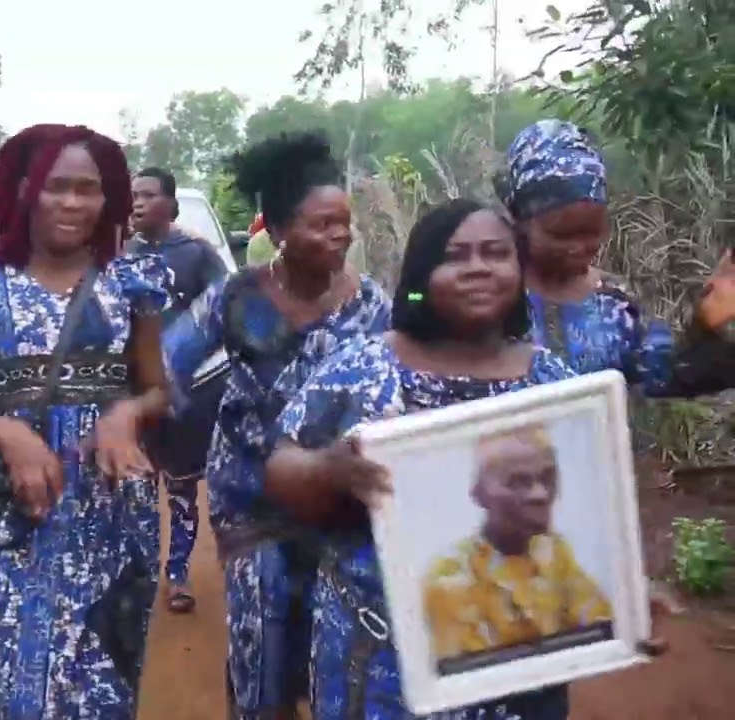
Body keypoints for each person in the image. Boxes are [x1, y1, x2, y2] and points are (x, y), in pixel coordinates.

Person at [265, 198, 667, 720]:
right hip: (380, 664)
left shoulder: (555, 386)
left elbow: (594, 516)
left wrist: (628, 599)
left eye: (496, 254)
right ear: (421, 275)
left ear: (518, 270)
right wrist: (325, 470)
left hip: (524, 673)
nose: (478, 267)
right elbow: (280, 464)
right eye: (455, 256)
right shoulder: (363, 367)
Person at [0, 124, 169, 718]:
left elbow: (159, 390)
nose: (72, 203)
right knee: (11, 686)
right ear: (24, 191)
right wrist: (6, 432)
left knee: (101, 690)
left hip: (110, 518)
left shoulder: (130, 284)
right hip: (15, 517)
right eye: (55, 187)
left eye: (87, 189)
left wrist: (125, 414)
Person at [162, 132, 390, 719]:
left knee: (337, 651)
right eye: (322, 224)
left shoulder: (373, 308)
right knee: (261, 652)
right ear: (281, 231)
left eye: (344, 222)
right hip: (251, 502)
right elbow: (168, 364)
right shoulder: (236, 298)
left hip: (341, 505)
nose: (340, 235)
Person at [500, 119, 735, 396]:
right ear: (519, 220)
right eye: (560, 235)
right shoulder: (492, 300)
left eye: (592, 232)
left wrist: (708, 328)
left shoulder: (614, 300)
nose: (578, 247)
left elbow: (664, 376)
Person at [127, 166, 229, 613]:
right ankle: (144, 571)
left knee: (183, 488)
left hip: (188, 396)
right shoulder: (117, 257)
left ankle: (177, 574)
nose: (137, 203)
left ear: (170, 204)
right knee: (136, 487)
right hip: (132, 394)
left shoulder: (198, 255)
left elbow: (227, 313)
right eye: (133, 196)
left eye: (148, 195)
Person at [424, 423, 612, 664]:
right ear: (479, 494)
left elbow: (595, 618)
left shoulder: (552, 551)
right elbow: (471, 674)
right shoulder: (448, 579)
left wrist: (633, 614)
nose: (540, 494)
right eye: (519, 482)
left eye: (548, 478)